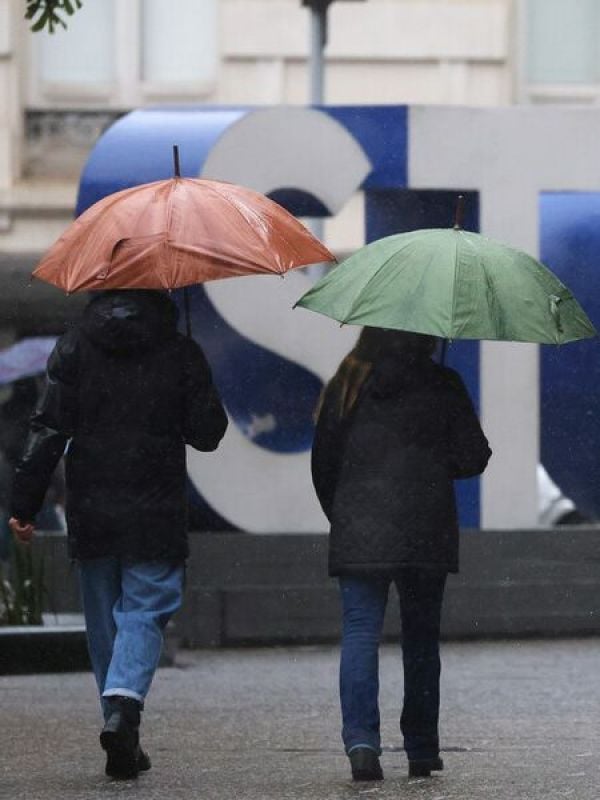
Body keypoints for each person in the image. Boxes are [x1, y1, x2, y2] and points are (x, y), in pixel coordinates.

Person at [9, 290, 228, 780]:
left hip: (92, 505)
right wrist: (192, 376)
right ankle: (125, 710)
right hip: (155, 505)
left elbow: (47, 427)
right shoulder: (178, 349)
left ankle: (121, 729)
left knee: (104, 624)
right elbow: (209, 433)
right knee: (146, 608)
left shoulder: (74, 346)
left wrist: (24, 503)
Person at [311, 328, 491, 781]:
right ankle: (422, 748)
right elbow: (474, 456)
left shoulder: (348, 381)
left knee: (359, 633)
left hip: (358, 525)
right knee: (421, 641)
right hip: (425, 526)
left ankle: (362, 745)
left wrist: (343, 515)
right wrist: (436, 450)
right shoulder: (442, 382)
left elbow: (323, 461)